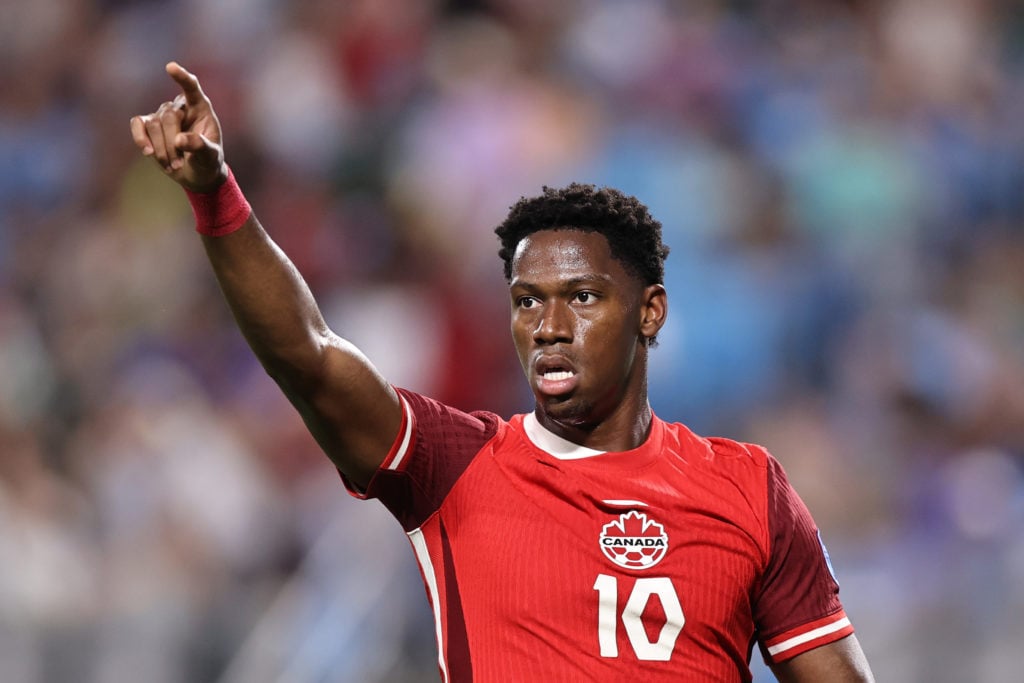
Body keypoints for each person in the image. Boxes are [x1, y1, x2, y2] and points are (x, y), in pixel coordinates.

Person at [130, 62, 875, 683]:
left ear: (650, 312)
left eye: (581, 297)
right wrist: (215, 192)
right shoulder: (455, 465)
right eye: (527, 302)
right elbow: (309, 355)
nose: (548, 326)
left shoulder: (747, 489)